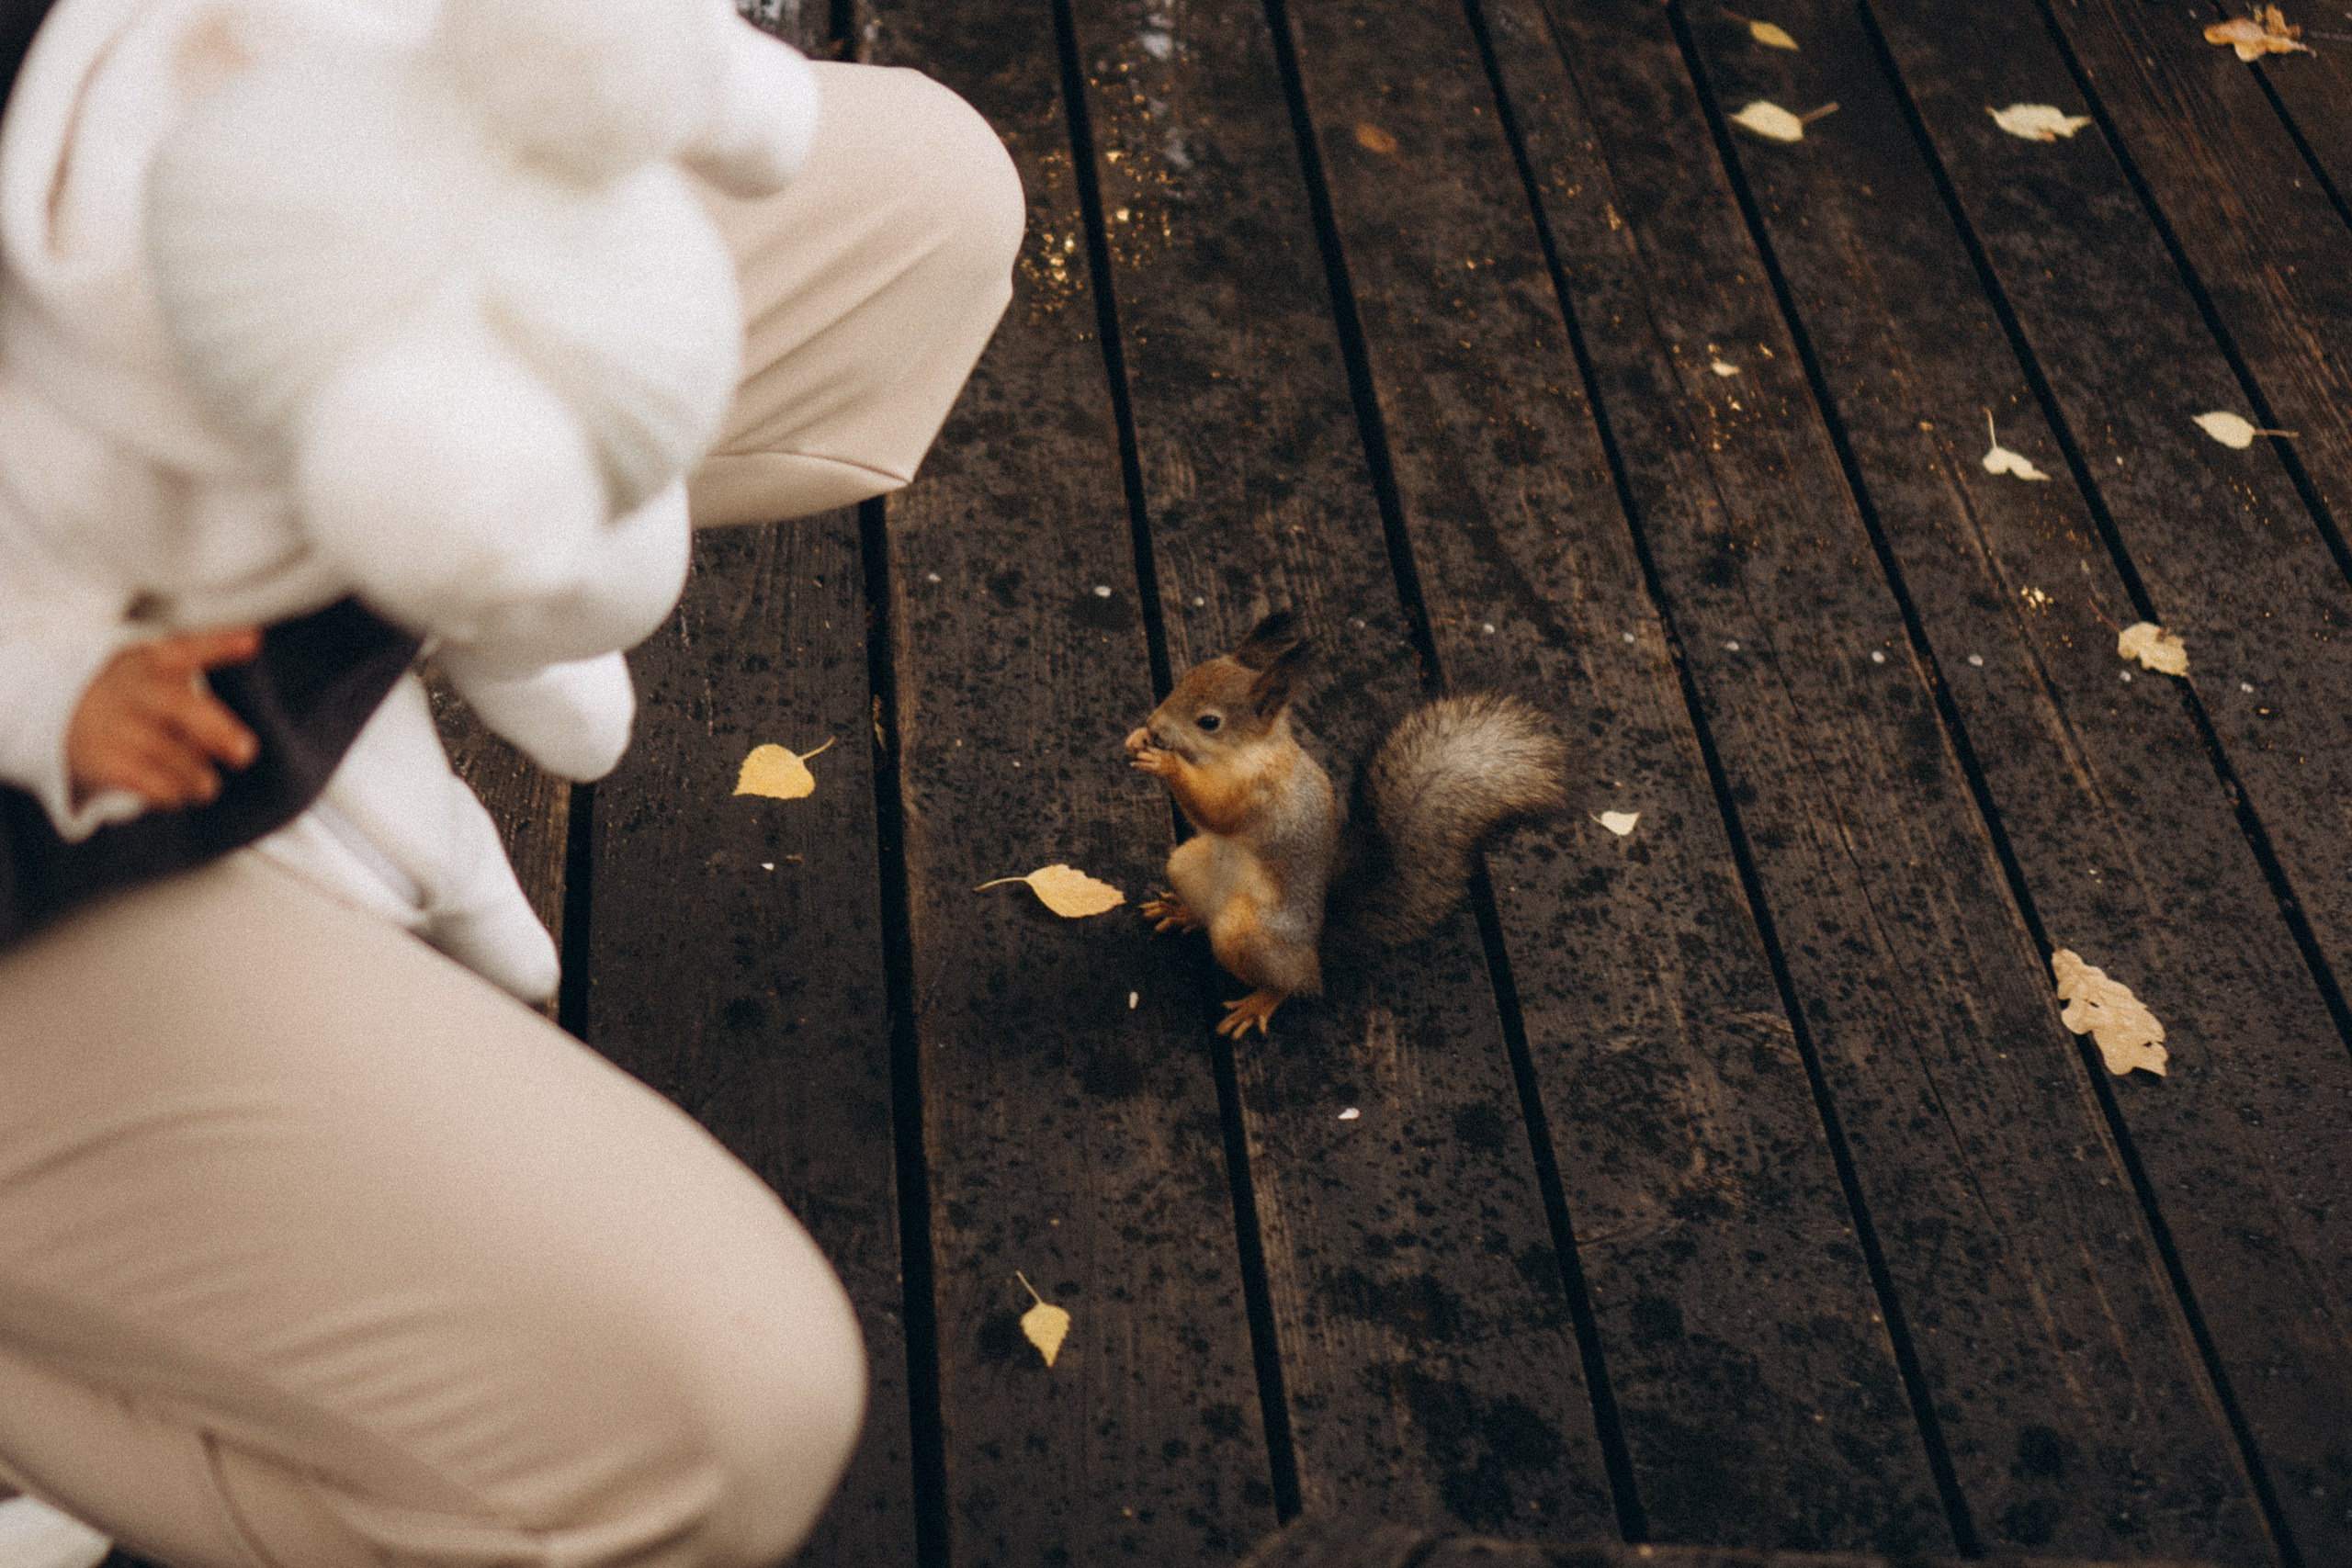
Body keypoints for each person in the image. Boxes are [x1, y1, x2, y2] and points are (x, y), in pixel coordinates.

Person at [0, 0, 1025, 1558]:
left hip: (169, 141)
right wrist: (57, 688)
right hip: (53, 698)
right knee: (718, 1415)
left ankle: (414, 608)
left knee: (926, 209)